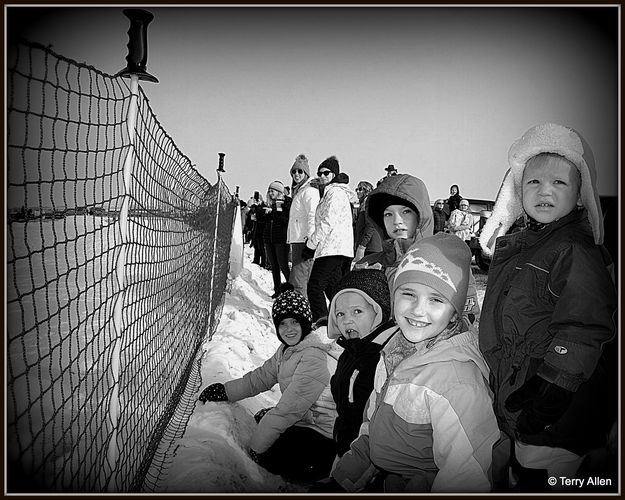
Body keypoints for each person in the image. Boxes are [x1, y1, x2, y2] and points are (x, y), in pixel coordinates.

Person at [478, 123, 617, 492]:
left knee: (547, 479)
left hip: (558, 408)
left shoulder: (574, 249)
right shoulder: (528, 245)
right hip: (523, 397)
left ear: (580, 194)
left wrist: (556, 385)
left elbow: (584, 325)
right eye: (534, 182)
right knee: (524, 474)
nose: (545, 191)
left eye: (559, 183)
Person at [312, 233, 500, 493]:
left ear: (454, 309)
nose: (418, 310)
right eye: (408, 293)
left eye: (436, 299)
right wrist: (343, 478)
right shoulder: (394, 353)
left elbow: (467, 475)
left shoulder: (457, 382)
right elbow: (374, 428)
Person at [198, 286, 341, 483]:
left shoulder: (313, 357)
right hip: (304, 419)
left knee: (276, 458)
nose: (289, 329)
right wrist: (226, 391)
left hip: (324, 433)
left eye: (295, 322)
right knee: (271, 431)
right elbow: (261, 377)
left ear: (306, 323)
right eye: (282, 323)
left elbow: (288, 410)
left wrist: (257, 449)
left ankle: (328, 469)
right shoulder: (288, 349)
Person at [355, 173, 480, 324]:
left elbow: (467, 321)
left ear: (422, 215)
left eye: (406, 212)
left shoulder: (450, 264)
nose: (397, 221)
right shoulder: (368, 265)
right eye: (388, 214)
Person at [326, 268, 398, 458]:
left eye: (357, 311)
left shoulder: (384, 358)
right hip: (345, 444)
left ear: (378, 312)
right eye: (340, 314)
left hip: (366, 457)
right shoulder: (352, 349)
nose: (347, 320)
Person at [303, 156, 357, 322]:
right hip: (337, 248)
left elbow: (328, 222)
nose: (322, 176)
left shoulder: (334, 193)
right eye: (320, 173)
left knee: (314, 287)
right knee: (333, 290)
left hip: (332, 248)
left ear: (334, 174)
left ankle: (322, 326)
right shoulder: (332, 192)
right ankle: (345, 321)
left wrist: (311, 244)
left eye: (326, 173)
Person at [286, 154, 320, 299]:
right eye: (294, 172)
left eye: (300, 171)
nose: (296, 175)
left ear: (306, 173)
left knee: (299, 280)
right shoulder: (300, 191)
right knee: (297, 278)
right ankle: (301, 310)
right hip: (297, 239)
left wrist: (310, 241)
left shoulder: (309, 191)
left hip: (304, 241)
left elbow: (314, 215)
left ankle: (303, 313)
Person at [260, 181, 292, 298]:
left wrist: (273, 212)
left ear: (279, 192)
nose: (270, 193)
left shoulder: (287, 202)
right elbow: (262, 221)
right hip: (269, 238)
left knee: (283, 265)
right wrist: (264, 214)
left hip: (281, 239)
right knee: (274, 266)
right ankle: (277, 290)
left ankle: (291, 289)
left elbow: (286, 219)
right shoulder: (269, 204)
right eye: (269, 191)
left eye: (272, 191)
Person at [352, 181, 383, 264]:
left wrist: (362, 246)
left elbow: (370, 225)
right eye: (357, 189)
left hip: (370, 247)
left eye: (360, 189)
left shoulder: (368, 203)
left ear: (367, 191)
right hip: (369, 246)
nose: (358, 192)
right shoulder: (363, 204)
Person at [246, 192, 267, 268]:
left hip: (262, 230)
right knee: (256, 247)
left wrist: (256, 216)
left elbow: (263, 217)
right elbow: (249, 218)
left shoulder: (263, 207)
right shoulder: (254, 208)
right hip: (255, 230)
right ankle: (256, 260)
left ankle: (264, 263)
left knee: (262, 248)